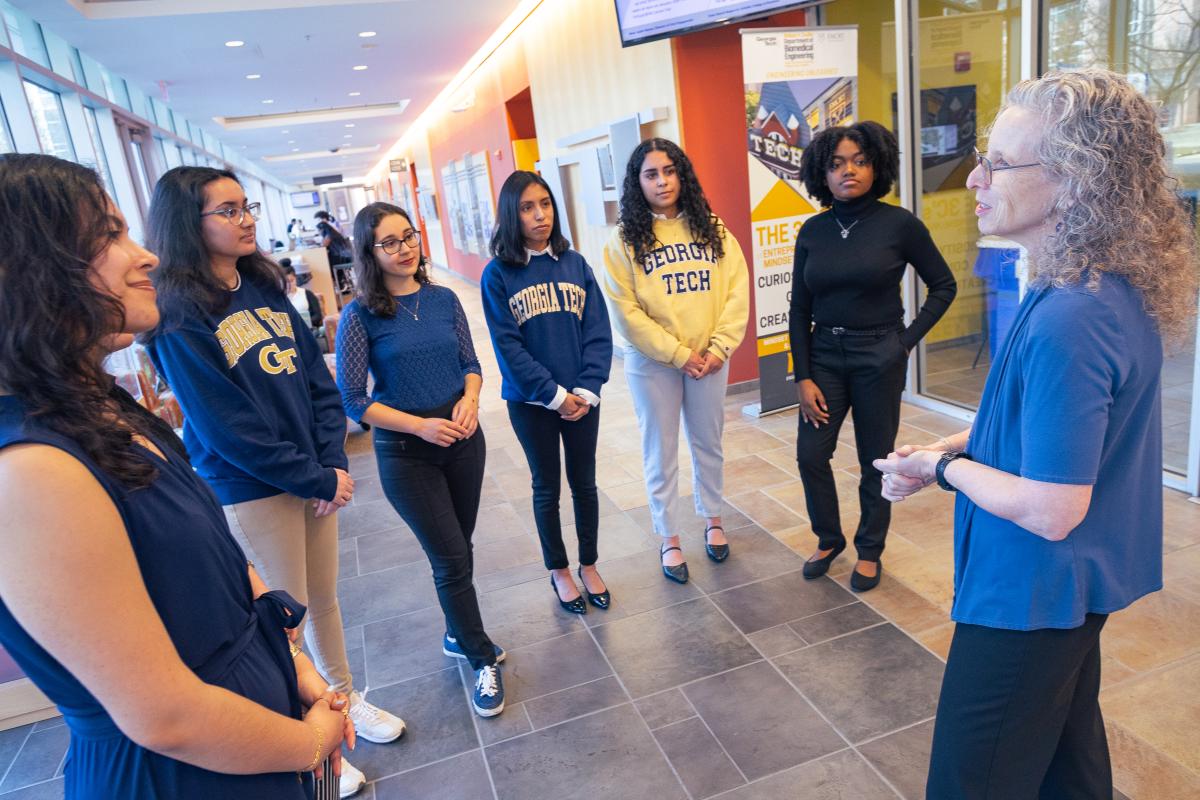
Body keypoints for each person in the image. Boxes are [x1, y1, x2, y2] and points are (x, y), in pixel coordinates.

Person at [873, 69, 1198, 798]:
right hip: (1069, 594)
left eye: (999, 163)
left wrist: (942, 474)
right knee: (1067, 768)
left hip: (1031, 595)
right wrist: (943, 448)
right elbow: (1039, 433)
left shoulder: (1069, 317)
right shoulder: (1094, 287)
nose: (975, 178)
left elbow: (1054, 507)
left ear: (1076, 184)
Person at [0, 153, 352, 798]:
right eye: (108, 237)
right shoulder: (28, 470)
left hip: (250, 739)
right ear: (29, 272)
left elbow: (218, 559)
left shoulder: (96, 406)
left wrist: (291, 662)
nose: (145, 257)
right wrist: (307, 746)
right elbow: (164, 714)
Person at [142, 167, 405, 797]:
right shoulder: (178, 314)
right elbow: (227, 426)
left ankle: (341, 704)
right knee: (282, 620)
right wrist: (314, 474)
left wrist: (332, 464)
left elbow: (317, 378)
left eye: (246, 206)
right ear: (190, 223)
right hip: (251, 486)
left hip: (312, 475)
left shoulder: (260, 282)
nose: (246, 219)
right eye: (227, 211)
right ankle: (310, 747)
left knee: (325, 598)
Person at [335, 202, 506, 717]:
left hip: (462, 439)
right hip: (408, 452)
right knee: (450, 558)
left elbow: (471, 363)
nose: (404, 248)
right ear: (370, 252)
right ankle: (480, 659)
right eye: (389, 242)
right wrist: (418, 426)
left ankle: (458, 633)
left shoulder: (443, 299)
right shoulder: (359, 315)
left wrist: (470, 399)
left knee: (460, 548)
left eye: (407, 236)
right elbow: (353, 399)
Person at [789, 121, 957, 592]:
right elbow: (800, 307)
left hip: (878, 356)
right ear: (822, 172)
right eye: (838, 163)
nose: (849, 172)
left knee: (875, 460)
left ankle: (869, 549)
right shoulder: (813, 230)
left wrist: (903, 343)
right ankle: (828, 538)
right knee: (810, 456)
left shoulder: (899, 224)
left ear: (877, 166)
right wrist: (803, 375)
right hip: (824, 356)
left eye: (860, 161)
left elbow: (944, 285)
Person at [602, 138, 749, 584]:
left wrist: (720, 346)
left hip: (710, 360)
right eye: (651, 174)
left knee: (709, 441)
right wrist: (679, 355)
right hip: (654, 365)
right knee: (660, 449)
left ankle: (713, 518)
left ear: (681, 174)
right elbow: (625, 312)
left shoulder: (714, 230)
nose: (662, 181)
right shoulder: (624, 240)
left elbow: (737, 291)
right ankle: (668, 536)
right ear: (637, 182)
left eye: (669, 170)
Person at [481, 171, 614, 615]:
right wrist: (555, 395)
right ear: (510, 214)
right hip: (532, 403)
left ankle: (589, 564)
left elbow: (597, 331)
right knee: (546, 487)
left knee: (585, 484)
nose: (539, 215)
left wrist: (587, 389)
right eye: (526, 207)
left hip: (582, 399)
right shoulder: (498, 275)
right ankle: (559, 570)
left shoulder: (575, 263)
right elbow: (508, 347)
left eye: (545, 204)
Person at [282, 259, 325, 334]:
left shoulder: (307, 293)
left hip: (309, 330)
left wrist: (303, 324)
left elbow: (318, 316)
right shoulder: (281, 298)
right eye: (286, 282)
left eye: (291, 281)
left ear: (296, 278)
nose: (289, 284)